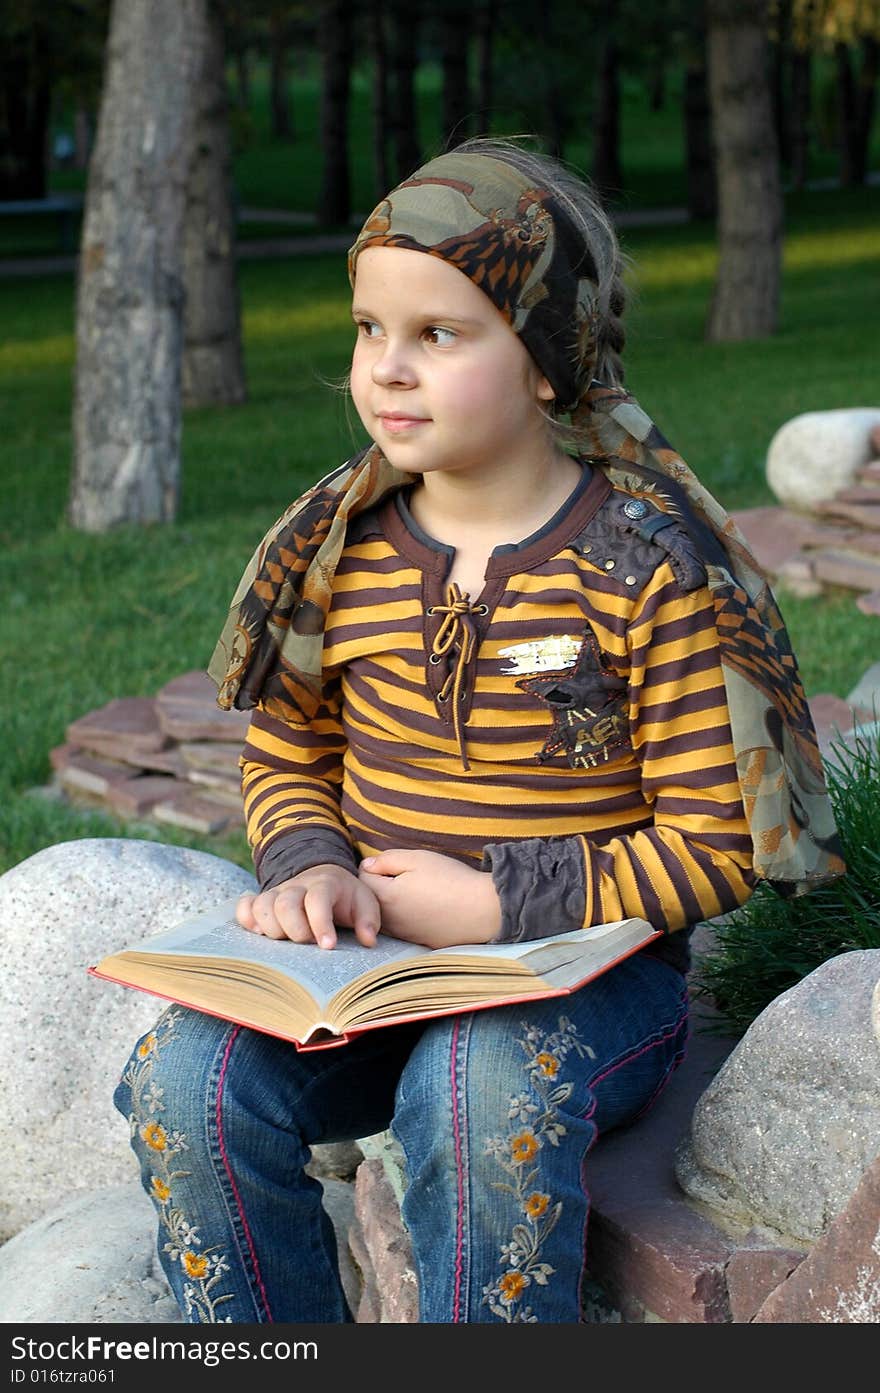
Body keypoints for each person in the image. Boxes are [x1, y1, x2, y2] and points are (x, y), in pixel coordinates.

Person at [114, 137, 843, 1324]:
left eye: (438, 336)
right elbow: (290, 748)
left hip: (582, 983)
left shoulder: (645, 568)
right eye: (367, 330)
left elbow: (717, 847)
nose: (386, 370)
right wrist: (310, 866)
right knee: (183, 1080)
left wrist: (500, 903)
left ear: (549, 361)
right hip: (368, 971)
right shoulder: (340, 554)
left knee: (475, 1087)